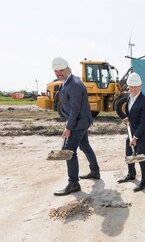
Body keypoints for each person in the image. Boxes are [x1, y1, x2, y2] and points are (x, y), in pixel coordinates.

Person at [52, 57, 101, 196]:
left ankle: (73, 183)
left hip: (78, 123)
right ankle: (95, 171)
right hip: (79, 121)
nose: (59, 73)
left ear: (68, 69)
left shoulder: (74, 84)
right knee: (85, 145)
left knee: (69, 152)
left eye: (61, 70)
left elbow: (75, 109)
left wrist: (68, 128)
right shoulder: (65, 82)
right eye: (56, 71)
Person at [117, 72, 145, 193]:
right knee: (129, 153)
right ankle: (131, 174)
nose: (132, 89)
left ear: (140, 86)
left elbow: (144, 122)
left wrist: (136, 137)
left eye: (135, 87)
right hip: (132, 130)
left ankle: (144, 180)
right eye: (131, 87)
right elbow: (132, 112)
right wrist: (129, 118)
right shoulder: (128, 97)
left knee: (142, 157)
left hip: (143, 133)